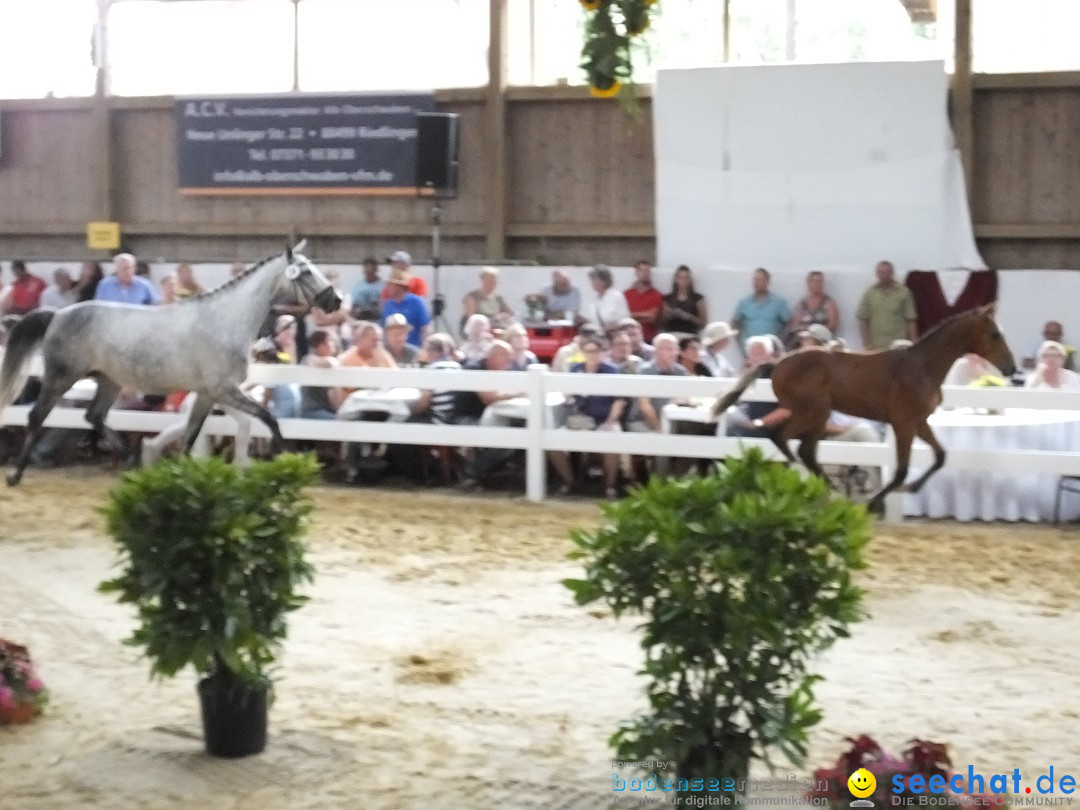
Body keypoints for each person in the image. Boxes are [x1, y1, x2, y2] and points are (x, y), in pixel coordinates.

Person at [856, 260, 917, 350]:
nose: (884, 275)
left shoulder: (904, 292)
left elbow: (911, 319)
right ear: (877, 274)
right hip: (877, 348)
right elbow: (862, 319)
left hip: (899, 347)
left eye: (887, 272)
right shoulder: (870, 293)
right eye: (881, 272)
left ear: (892, 273)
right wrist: (866, 344)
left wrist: (914, 343)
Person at [731, 267, 789, 341]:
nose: (756, 283)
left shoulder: (779, 303)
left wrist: (780, 342)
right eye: (755, 280)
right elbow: (735, 323)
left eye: (760, 280)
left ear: (767, 281)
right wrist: (740, 342)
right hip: (750, 348)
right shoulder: (744, 303)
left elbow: (789, 324)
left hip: (771, 348)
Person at [786, 270, 840, 347]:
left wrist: (815, 333)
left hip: (823, 340)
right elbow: (795, 325)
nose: (817, 284)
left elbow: (833, 325)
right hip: (803, 340)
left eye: (819, 282)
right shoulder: (802, 304)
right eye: (814, 281)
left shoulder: (829, 303)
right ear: (808, 283)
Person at [381, 267, 431, 347]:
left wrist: (425, 347)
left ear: (400, 286)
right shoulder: (389, 304)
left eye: (390, 285)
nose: (387, 288)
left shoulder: (417, 302)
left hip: (413, 348)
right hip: (392, 350)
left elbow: (425, 327)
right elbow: (384, 327)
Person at [461, 266, 513, 334]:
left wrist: (503, 316)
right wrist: (494, 320)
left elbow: (509, 313)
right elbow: (472, 319)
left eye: (494, 282)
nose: (493, 284)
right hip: (477, 331)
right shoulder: (472, 297)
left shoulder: (498, 298)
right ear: (482, 280)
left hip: (494, 329)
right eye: (489, 281)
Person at [94, 253, 159, 306]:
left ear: (134, 269)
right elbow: (99, 307)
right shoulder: (105, 285)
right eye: (123, 269)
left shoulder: (145, 285)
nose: (126, 271)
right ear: (117, 269)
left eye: (129, 268)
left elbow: (154, 305)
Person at [660, 265, 708, 334]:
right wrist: (667, 315)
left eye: (686, 278)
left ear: (690, 280)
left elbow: (703, 323)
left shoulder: (698, 298)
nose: (684, 281)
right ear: (676, 280)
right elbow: (661, 323)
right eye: (681, 278)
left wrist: (690, 317)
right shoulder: (667, 298)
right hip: (671, 335)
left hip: (689, 335)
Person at [624, 260, 664, 343]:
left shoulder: (656, 294)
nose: (645, 273)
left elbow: (652, 318)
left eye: (647, 271)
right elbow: (623, 317)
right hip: (628, 339)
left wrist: (631, 315)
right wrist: (644, 315)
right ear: (636, 272)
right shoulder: (627, 294)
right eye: (642, 270)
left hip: (648, 338)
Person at [585, 265, 630, 335]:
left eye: (595, 280)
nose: (592, 283)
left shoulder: (616, 296)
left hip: (615, 336)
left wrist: (613, 327)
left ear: (604, 281)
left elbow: (625, 320)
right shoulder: (594, 299)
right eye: (592, 280)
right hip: (598, 336)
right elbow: (593, 320)